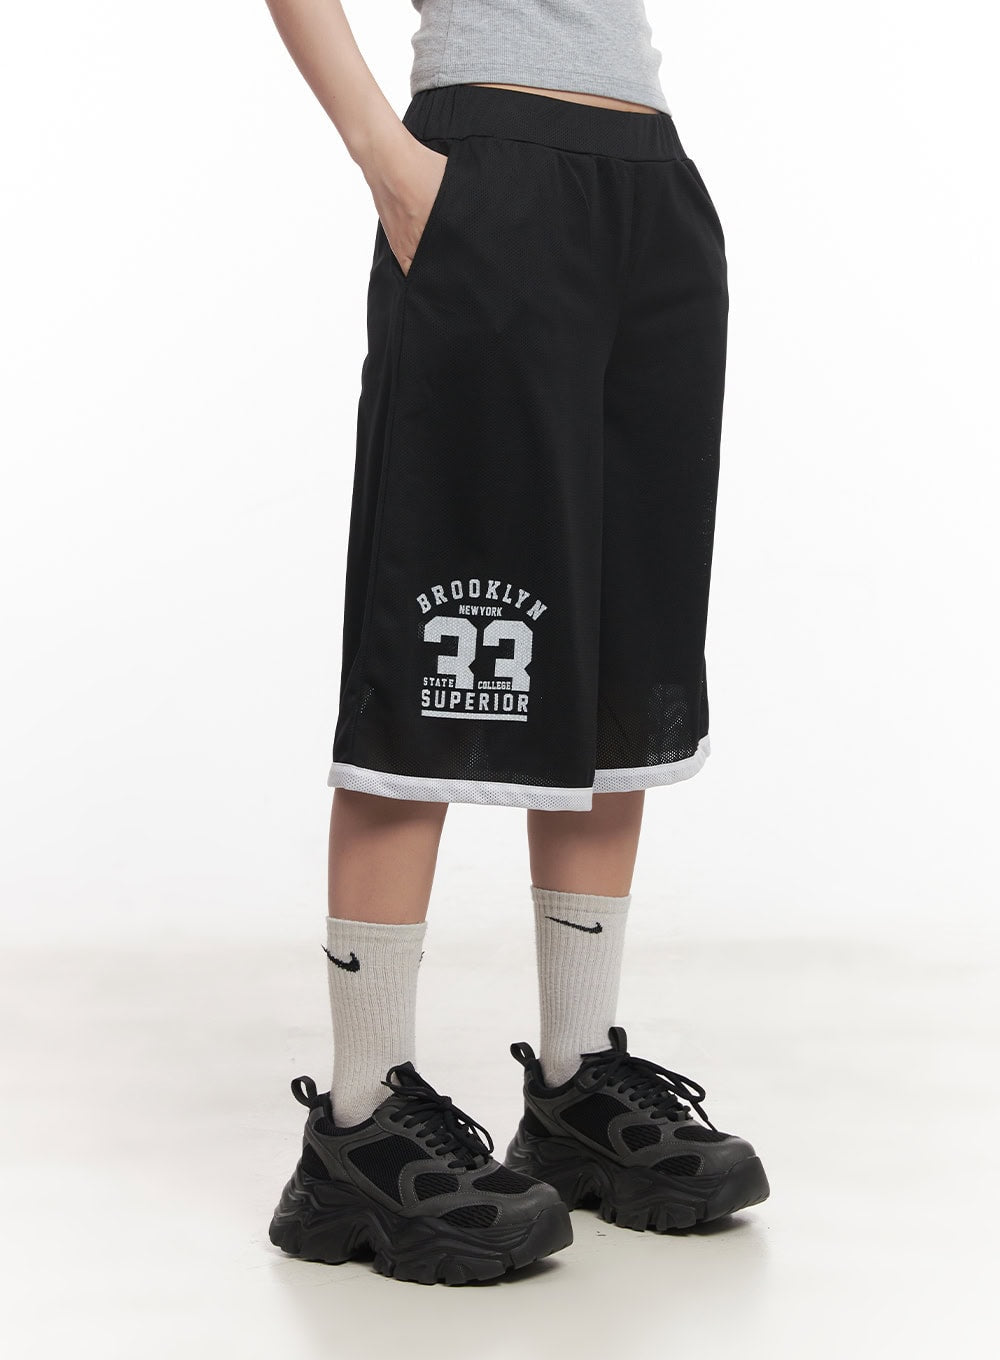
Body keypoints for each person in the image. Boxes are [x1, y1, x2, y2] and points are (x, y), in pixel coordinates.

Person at [263, 0, 769, 1285]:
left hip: (650, 180)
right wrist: (389, 159)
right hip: (483, 170)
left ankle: (575, 1082)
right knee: (446, 641)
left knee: (615, 660)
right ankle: (361, 1121)